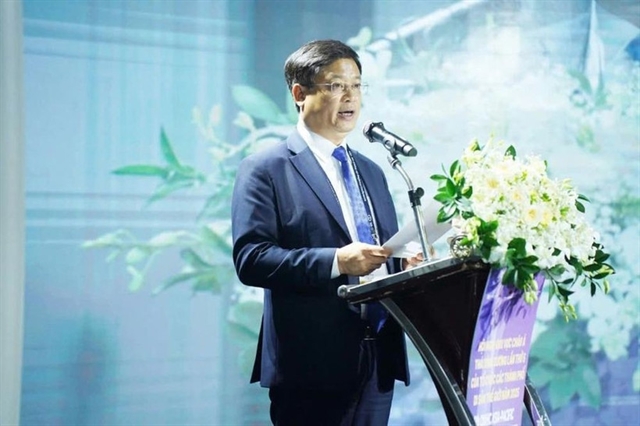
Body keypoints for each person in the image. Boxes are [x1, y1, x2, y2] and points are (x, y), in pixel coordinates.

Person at [231, 39, 420, 426]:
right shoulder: (267, 168)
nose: (350, 96)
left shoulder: (372, 171)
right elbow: (252, 259)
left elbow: (380, 251)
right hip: (311, 367)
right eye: (335, 85)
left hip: (377, 359)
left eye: (356, 85)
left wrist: (404, 262)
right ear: (300, 94)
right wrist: (337, 261)